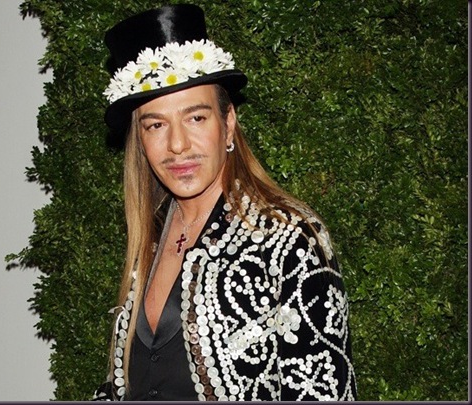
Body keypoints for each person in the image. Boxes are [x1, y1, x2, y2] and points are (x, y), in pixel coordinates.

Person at [93, 4, 356, 401]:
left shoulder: (288, 237)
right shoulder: (151, 234)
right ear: (140, 141)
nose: (177, 144)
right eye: (156, 125)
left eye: (196, 118)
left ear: (228, 123)